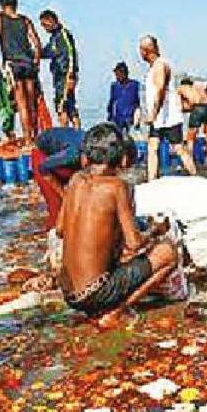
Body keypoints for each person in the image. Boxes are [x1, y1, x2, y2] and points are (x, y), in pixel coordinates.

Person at [57, 123, 178, 328]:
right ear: (122, 160)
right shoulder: (117, 187)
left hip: (68, 293)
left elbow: (60, 230)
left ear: (86, 157)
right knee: (169, 253)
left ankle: (102, 307)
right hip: (94, 293)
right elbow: (134, 243)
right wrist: (155, 230)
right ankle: (116, 311)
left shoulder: (76, 180)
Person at [139, 35, 196, 181]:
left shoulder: (160, 65)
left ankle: (195, 176)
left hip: (168, 117)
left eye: (141, 49)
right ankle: (152, 180)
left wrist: (153, 114)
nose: (140, 53)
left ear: (146, 51)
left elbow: (160, 90)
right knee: (152, 147)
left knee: (178, 149)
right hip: (159, 119)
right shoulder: (154, 67)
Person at [0, 0, 42, 142]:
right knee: (31, 102)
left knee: (21, 102)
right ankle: (35, 136)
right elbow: (37, 43)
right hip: (28, 63)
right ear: (15, 5)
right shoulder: (25, 20)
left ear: (1, 5)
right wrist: (36, 61)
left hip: (12, 64)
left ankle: (28, 138)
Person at [38, 10, 80, 130]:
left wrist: (71, 75)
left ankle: (69, 132)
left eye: (45, 25)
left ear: (51, 21)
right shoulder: (53, 38)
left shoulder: (64, 34)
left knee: (63, 105)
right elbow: (45, 52)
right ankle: (71, 132)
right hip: (58, 77)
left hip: (65, 75)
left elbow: (71, 54)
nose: (44, 28)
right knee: (66, 105)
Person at [177, 78, 207, 167]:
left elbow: (184, 105)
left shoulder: (182, 88)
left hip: (198, 108)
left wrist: (185, 108)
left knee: (191, 138)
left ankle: (190, 161)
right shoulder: (200, 86)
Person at [107, 62, 141, 133]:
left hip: (130, 117)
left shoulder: (134, 85)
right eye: (116, 75)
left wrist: (138, 118)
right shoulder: (114, 86)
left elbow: (137, 102)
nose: (117, 77)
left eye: (118, 74)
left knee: (129, 136)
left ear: (125, 73)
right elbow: (111, 101)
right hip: (117, 118)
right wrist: (110, 116)